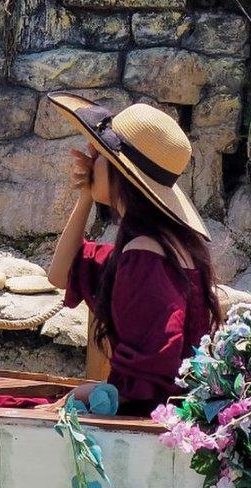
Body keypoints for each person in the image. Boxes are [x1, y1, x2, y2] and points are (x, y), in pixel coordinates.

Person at [43, 94, 220, 416]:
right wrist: (85, 197)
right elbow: (59, 273)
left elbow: (153, 374)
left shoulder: (145, 258)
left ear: (120, 173)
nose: (88, 157)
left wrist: (90, 391)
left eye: (98, 153)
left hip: (152, 421)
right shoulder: (159, 244)